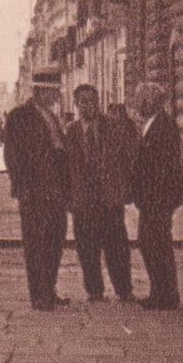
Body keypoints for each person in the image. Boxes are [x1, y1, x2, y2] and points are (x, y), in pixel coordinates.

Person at [3, 72, 70, 311]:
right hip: (34, 191)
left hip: (56, 191)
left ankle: (49, 290)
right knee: (35, 244)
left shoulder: (51, 116)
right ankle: (38, 296)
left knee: (54, 241)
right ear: (41, 90)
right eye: (55, 91)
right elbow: (12, 155)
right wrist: (22, 187)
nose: (59, 95)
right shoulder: (19, 116)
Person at [65, 83, 137, 303]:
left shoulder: (113, 127)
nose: (89, 106)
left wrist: (124, 190)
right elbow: (65, 168)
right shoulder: (71, 132)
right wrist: (70, 198)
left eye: (93, 101)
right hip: (83, 201)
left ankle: (124, 290)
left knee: (117, 246)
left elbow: (127, 159)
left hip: (109, 199)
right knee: (87, 248)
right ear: (76, 105)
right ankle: (94, 291)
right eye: (84, 102)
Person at [131, 82, 183, 311]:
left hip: (157, 198)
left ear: (150, 101)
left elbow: (163, 167)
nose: (136, 103)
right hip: (152, 198)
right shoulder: (153, 123)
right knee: (152, 243)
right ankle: (161, 292)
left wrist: (153, 195)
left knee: (156, 244)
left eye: (139, 99)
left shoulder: (163, 125)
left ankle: (165, 295)